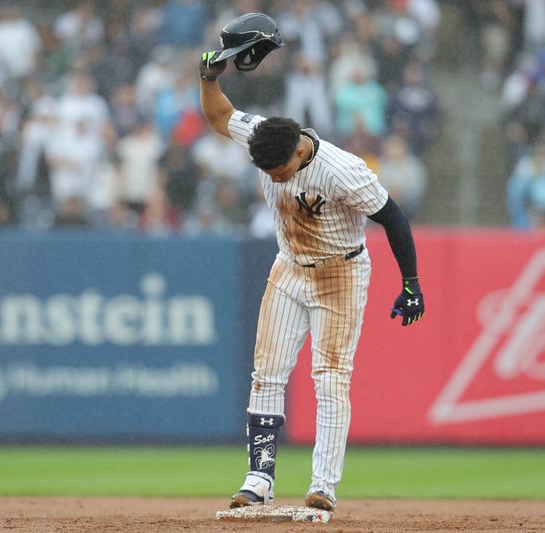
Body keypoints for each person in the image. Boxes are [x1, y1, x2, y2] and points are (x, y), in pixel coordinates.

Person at [198, 27, 426, 513]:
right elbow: (220, 117)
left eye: (278, 170)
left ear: (300, 152)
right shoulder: (267, 139)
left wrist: (411, 282)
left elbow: (393, 217)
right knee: (266, 374)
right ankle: (258, 478)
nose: (272, 177)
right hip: (289, 265)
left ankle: (323, 484)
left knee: (331, 377)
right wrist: (208, 78)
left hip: (341, 273)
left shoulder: (342, 170)